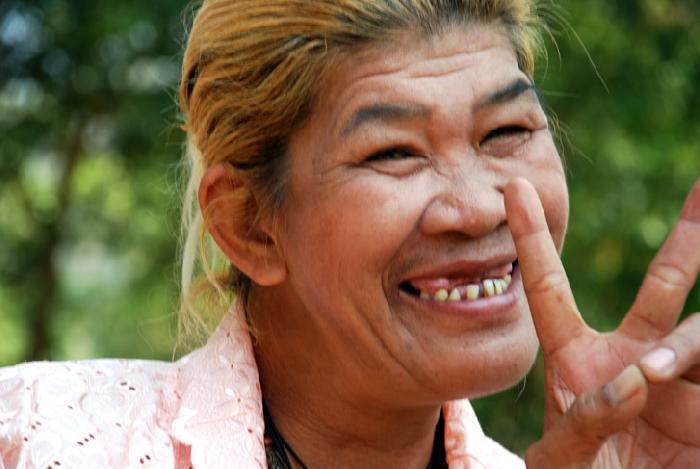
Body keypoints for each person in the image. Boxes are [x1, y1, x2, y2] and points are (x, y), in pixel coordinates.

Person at [1, 0, 699, 467]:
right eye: (393, 151)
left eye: (507, 131)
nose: (478, 208)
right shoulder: (36, 438)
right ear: (249, 225)